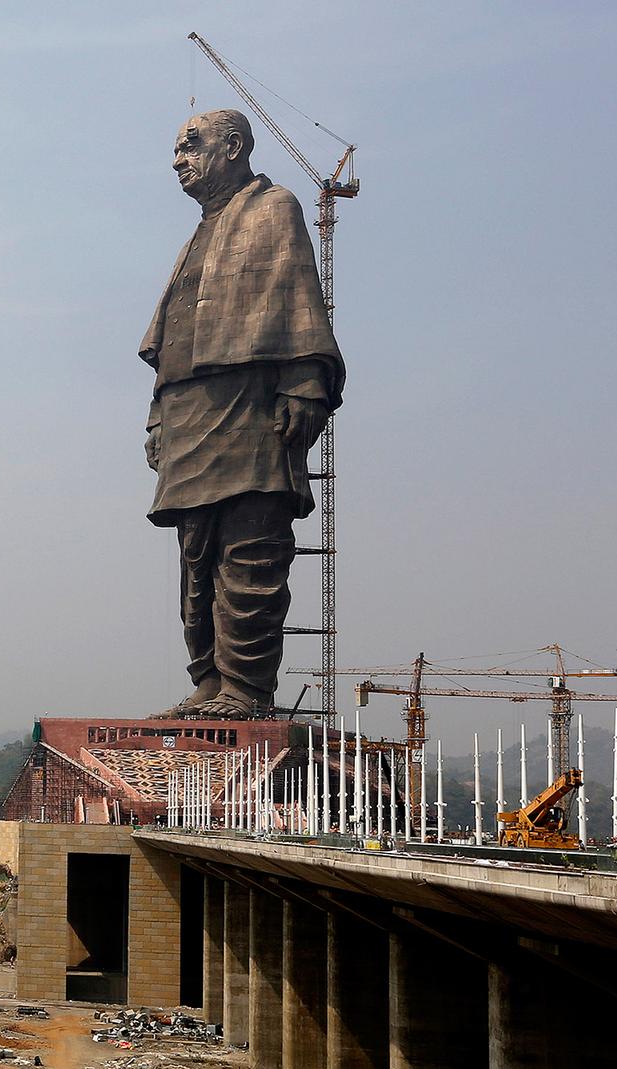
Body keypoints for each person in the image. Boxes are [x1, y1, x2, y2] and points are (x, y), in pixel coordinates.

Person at [140, 110, 345, 719]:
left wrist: (304, 384)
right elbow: (171, 336)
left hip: (250, 405)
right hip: (188, 411)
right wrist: (158, 417)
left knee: (251, 546)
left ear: (232, 147)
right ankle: (208, 680)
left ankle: (246, 688)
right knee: (195, 555)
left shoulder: (272, 208)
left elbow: (298, 298)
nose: (178, 159)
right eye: (175, 150)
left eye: (189, 146)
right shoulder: (201, 232)